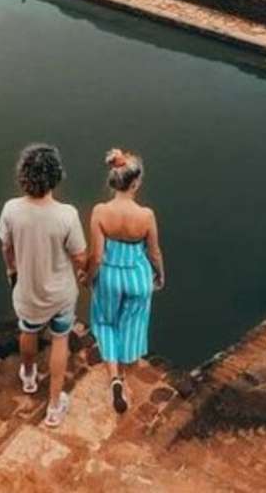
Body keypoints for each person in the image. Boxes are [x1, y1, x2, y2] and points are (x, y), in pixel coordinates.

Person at [0, 144, 87, 428]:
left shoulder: (11, 210)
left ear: (22, 176)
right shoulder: (67, 215)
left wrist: (12, 272)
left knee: (28, 330)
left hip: (27, 292)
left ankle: (29, 375)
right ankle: (54, 406)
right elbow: (80, 255)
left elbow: (6, 248)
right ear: (56, 176)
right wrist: (85, 270)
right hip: (60, 295)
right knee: (60, 340)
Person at [87, 149, 164, 415]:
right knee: (132, 326)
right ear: (136, 182)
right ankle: (125, 375)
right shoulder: (146, 215)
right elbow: (154, 251)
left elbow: (96, 255)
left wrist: (88, 276)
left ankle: (114, 379)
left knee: (106, 322)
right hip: (137, 275)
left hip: (109, 275)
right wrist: (160, 274)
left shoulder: (100, 211)